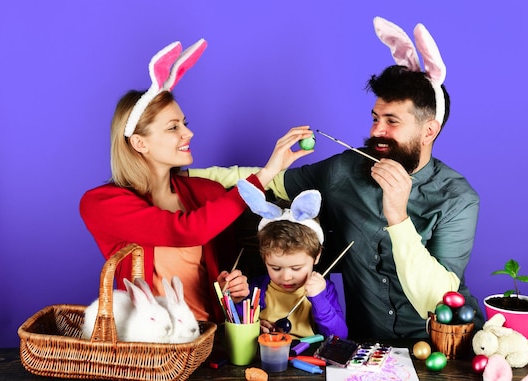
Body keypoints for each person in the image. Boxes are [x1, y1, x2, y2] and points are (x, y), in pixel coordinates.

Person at [187, 18, 484, 338]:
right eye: (375, 118)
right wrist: (178, 176)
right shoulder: (345, 170)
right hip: (361, 348)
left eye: (391, 121)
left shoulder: (458, 199)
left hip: (444, 345)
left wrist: (398, 218)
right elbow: (262, 181)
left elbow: (438, 300)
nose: (376, 132)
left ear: (429, 131)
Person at [79, 39, 313, 325]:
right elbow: (188, 230)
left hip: (209, 341)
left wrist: (228, 289)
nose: (188, 134)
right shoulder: (101, 204)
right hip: (152, 350)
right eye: (173, 127)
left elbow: (218, 278)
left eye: (185, 123)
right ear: (139, 142)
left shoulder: (207, 193)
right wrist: (267, 172)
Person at [236, 180, 347, 338]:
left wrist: (319, 299)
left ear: (316, 256)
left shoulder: (324, 290)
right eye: (275, 268)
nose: (286, 277)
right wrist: (254, 326)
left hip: (308, 357)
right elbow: (238, 326)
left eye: (296, 268)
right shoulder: (257, 289)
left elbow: (339, 337)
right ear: (264, 258)